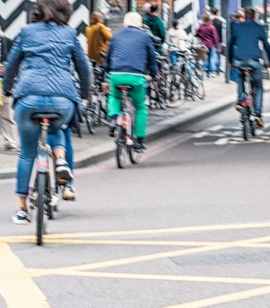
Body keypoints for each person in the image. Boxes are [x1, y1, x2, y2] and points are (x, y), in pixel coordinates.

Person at [3, 0, 90, 224]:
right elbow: (83, 67)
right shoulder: (69, 34)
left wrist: (7, 88)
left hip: (28, 97)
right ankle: (60, 160)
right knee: (58, 125)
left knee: (27, 154)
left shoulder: (26, 31)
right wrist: (84, 94)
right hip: (62, 98)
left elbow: (12, 64)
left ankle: (22, 209)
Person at [105, 12, 158, 152]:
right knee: (140, 107)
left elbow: (108, 57)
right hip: (136, 77)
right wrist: (153, 74)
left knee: (114, 96)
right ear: (139, 24)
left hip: (116, 75)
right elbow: (152, 59)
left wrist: (107, 73)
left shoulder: (116, 35)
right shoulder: (145, 37)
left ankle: (113, 117)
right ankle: (139, 141)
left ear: (125, 22)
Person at [229, 8, 270, 128]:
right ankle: (258, 114)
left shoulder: (237, 27)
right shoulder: (259, 27)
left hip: (239, 61)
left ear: (244, 16)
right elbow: (266, 45)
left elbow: (231, 44)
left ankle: (240, 100)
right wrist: (269, 61)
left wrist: (230, 60)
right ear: (254, 16)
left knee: (240, 79)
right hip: (254, 61)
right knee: (258, 87)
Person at [210, 8, 225, 74]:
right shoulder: (221, 20)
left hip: (211, 40)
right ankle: (218, 68)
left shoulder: (209, 21)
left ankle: (213, 69)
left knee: (212, 55)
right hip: (219, 40)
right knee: (218, 54)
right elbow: (224, 31)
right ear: (217, 12)